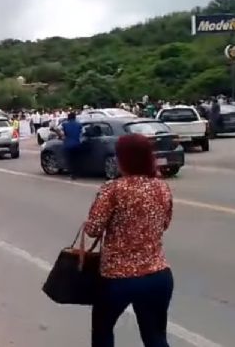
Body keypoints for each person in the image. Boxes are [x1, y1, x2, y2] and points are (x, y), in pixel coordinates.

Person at [85, 133, 174, 347]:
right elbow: (164, 223)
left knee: (103, 332)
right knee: (155, 337)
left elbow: (93, 230)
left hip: (118, 277)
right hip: (157, 275)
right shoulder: (161, 187)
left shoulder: (113, 189)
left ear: (122, 158)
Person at [59, 112, 83, 180]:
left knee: (70, 160)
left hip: (68, 144)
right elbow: (83, 133)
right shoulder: (79, 124)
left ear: (68, 118)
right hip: (77, 144)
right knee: (76, 159)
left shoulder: (64, 124)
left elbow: (59, 131)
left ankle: (72, 174)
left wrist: (61, 136)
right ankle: (77, 173)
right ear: (75, 117)